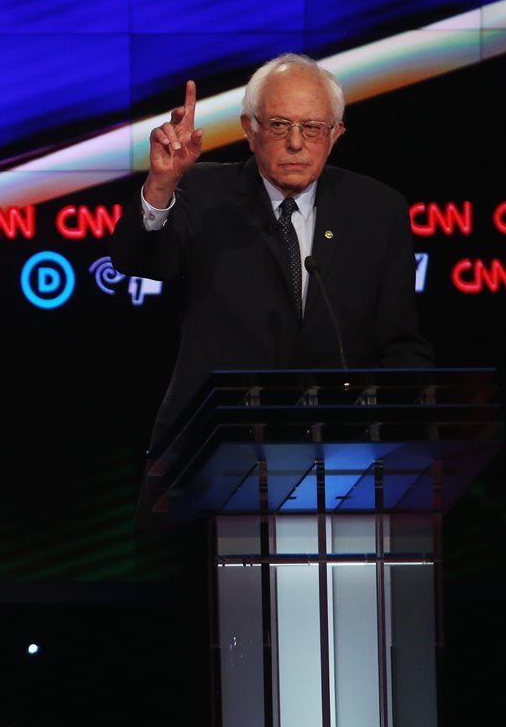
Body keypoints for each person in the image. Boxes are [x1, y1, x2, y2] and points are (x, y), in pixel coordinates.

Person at [109, 53, 433, 453]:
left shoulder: (377, 210)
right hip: (213, 446)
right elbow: (137, 260)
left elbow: (400, 345)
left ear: (335, 134)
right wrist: (161, 185)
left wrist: (409, 435)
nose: (296, 143)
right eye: (279, 125)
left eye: (312, 128)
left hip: (339, 453)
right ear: (250, 129)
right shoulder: (203, 193)